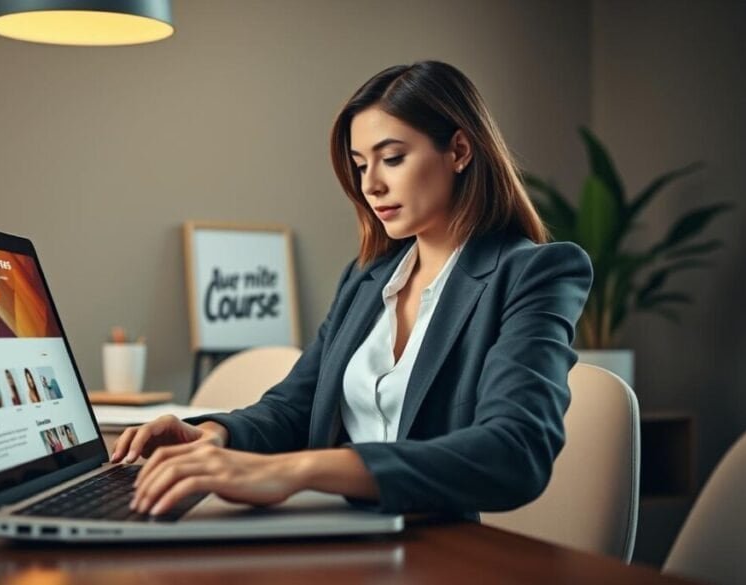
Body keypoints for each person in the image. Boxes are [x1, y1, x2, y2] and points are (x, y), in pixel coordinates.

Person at [112, 61, 593, 519]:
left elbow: (516, 451)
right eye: (361, 165)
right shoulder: (365, 280)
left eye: (392, 158)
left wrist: (296, 471)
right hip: (330, 532)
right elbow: (293, 408)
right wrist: (211, 435)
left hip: (435, 549)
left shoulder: (536, 273)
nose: (372, 186)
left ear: (460, 151)